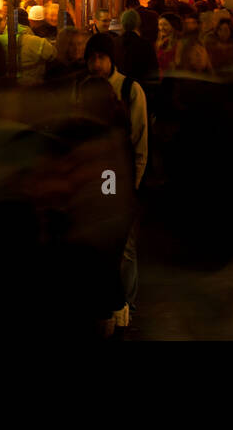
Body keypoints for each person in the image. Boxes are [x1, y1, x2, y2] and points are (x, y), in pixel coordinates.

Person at [83, 33, 148, 332]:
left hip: (121, 180)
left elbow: (139, 141)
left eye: (101, 57)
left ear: (112, 59)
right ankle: (110, 304)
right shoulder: (82, 87)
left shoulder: (130, 89)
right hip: (94, 183)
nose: (96, 64)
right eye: (92, 58)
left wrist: (134, 183)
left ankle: (126, 303)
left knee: (126, 248)